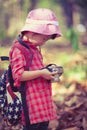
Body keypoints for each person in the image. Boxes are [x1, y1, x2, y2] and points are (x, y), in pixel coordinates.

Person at [9, 8, 62, 130]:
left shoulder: (34, 48)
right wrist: (41, 73)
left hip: (40, 103)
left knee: (43, 126)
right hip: (30, 105)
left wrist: (47, 70)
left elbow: (35, 69)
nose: (44, 42)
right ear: (33, 33)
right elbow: (19, 75)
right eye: (44, 39)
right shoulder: (19, 50)